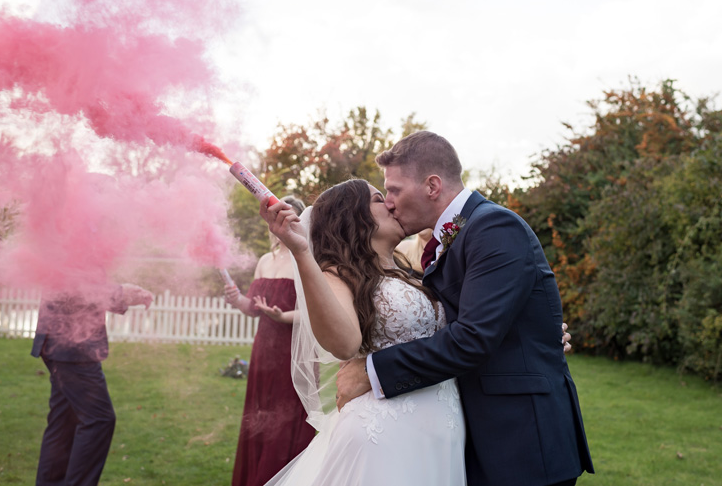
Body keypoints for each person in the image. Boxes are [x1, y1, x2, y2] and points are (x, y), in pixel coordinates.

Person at [335, 130, 593, 486]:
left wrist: (372, 371)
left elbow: (473, 337)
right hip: (477, 435)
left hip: (521, 441)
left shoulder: (494, 227)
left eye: (394, 190)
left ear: (432, 186)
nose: (390, 203)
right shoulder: (459, 233)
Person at [260, 179, 468, 486]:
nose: (392, 204)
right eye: (379, 199)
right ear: (353, 216)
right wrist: (302, 252)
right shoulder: (338, 275)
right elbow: (345, 345)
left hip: (442, 429)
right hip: (384, 436)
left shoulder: (413, 275)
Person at [223, 196, 315, 486]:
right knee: (260, 416)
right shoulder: (265, 260)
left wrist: (283, 317)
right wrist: (237, 299)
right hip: (263, 350)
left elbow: (317, 312)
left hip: (292, 352)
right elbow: (253, 308)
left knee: (285, 418)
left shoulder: (306, 259)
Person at [32, 280, 153, 486]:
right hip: (71, 345)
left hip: (63, 344)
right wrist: (120, 293)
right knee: (99, 419)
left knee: (64, 421)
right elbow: (70, 283)